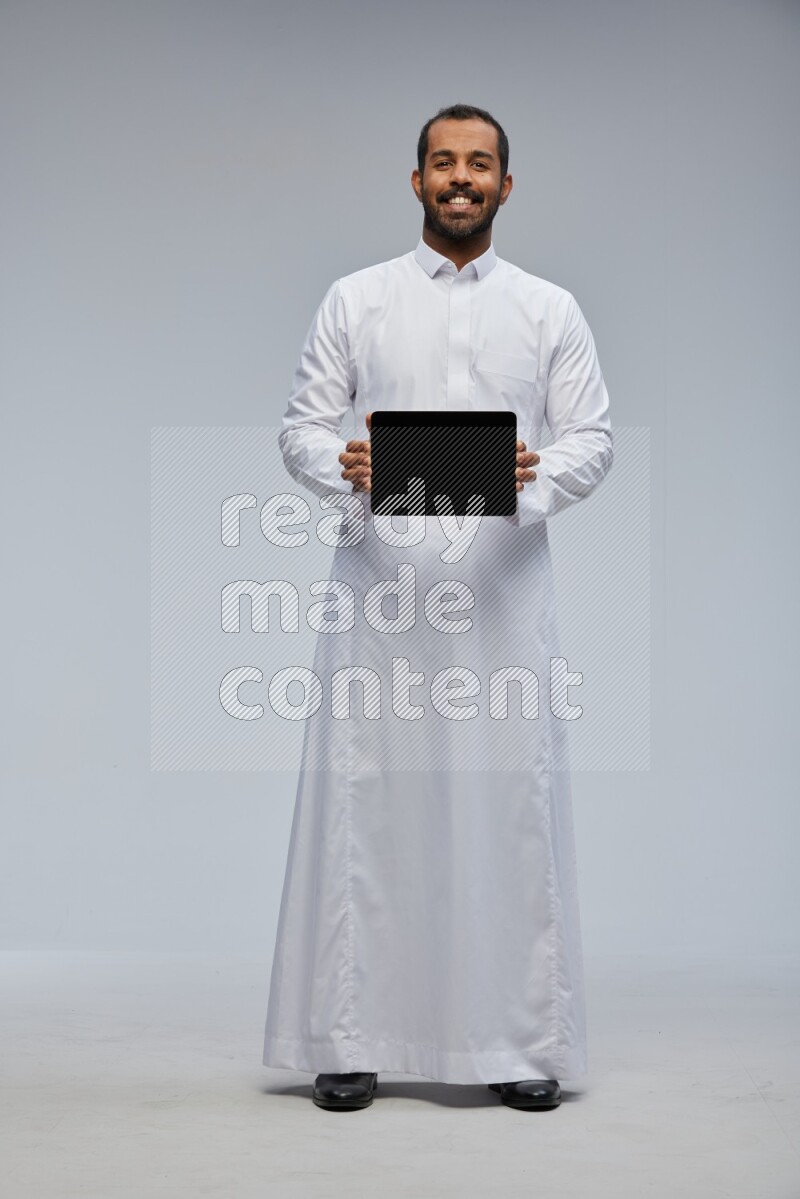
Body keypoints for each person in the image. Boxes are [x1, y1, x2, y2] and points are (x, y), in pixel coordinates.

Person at [262, 103, 614, 1112]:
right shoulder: (356, 300)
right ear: (414, 180)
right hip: (381, 590)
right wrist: (347, 462)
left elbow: (591, 436)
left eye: (480, 164)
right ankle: (349, 1034)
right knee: (367, 804)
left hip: (501, 595)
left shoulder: (549, 309)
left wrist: (529, 476)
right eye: (441, 162)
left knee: (507, 809)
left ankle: (514, 1039)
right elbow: (299, 424)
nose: (460, 177)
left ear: (506, 185)